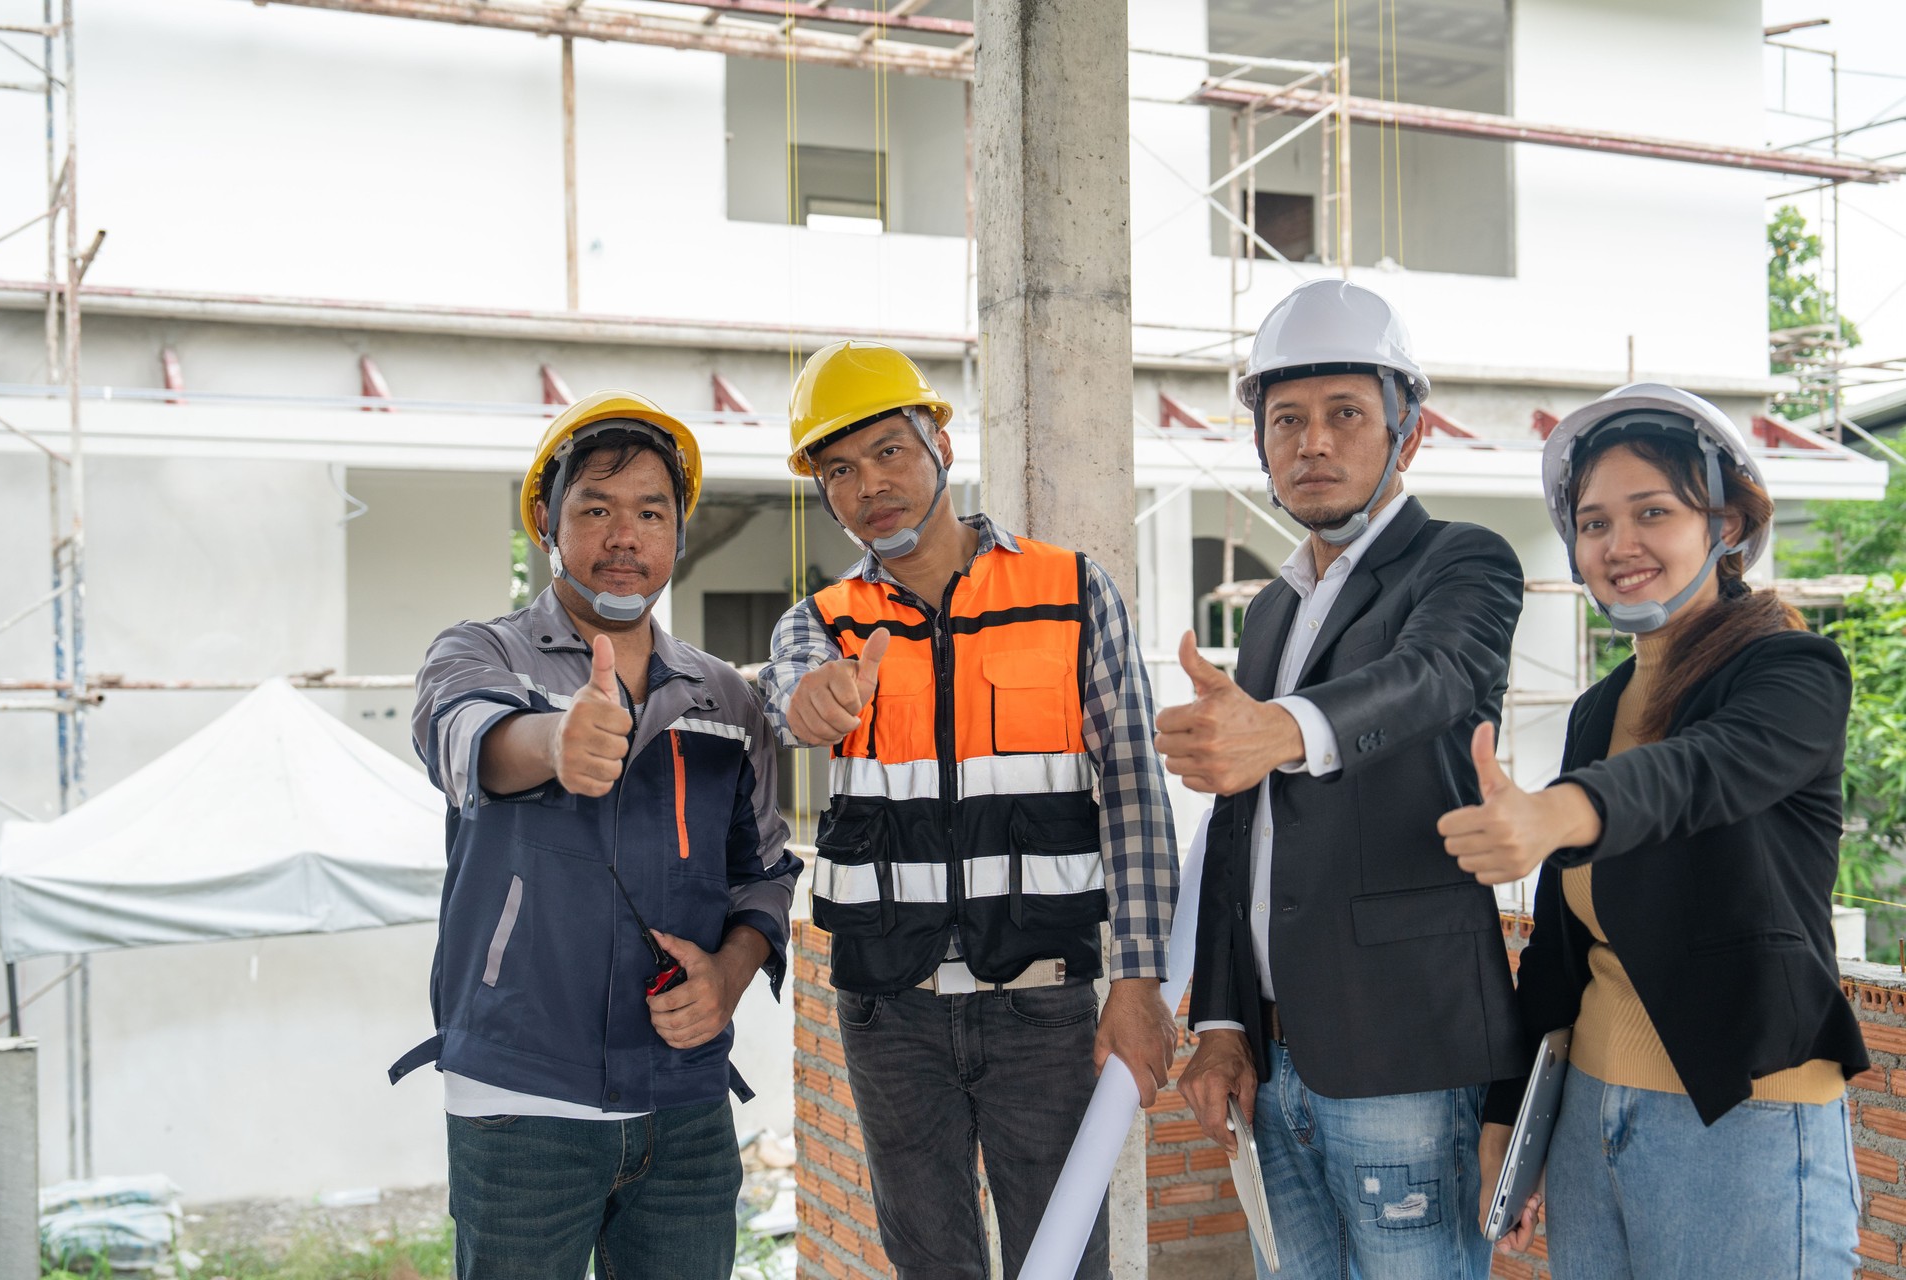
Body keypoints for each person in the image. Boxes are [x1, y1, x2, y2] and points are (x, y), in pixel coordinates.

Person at [758, 340, 1179, 1280]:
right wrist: (812, 700)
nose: (870, 485)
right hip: (889, 1017)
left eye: (888, 453)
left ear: (938, 440)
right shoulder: (818, 624)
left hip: (1044, 1009)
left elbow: (1136, 795)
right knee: (930, 1267)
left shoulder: (1072, 593)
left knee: (1066, 1262)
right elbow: (785, 695)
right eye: (839, 470)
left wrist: (1141, 981)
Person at [1448, 383, 1867, 1278]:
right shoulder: (1600, 709)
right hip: (1590, 1121)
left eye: (1653, 512)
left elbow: (1701, 771)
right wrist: (1505, 1123)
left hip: (1743, 1129)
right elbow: (1559, 951)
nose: (1618, 545)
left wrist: (1557, 812)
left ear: (1724, 525)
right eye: (1594, 523)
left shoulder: (1793, 673)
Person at [1160, 279, 1526, 1279]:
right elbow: (1244, 831)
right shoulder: (1277, 608)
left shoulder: (1463, 563)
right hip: (1276, 1060)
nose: (1312, 441)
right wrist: (1224, 1019)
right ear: (1261, 443)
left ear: (1406, 434)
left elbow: (1432, 677)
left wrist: (1277, 726)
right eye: (1287, 419)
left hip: (1404, 1049)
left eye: (1345, 414)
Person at [393, 391, 801, 1280]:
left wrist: (729, 976)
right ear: (547, 519)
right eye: (598, 509)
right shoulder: (481, 653)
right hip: (520, 1105)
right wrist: (551, 739)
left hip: (686, 1109)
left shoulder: (725, 700)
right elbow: (462, 739)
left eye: (651, 512)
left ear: (678, 534)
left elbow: (765, 873)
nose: (627, 536)